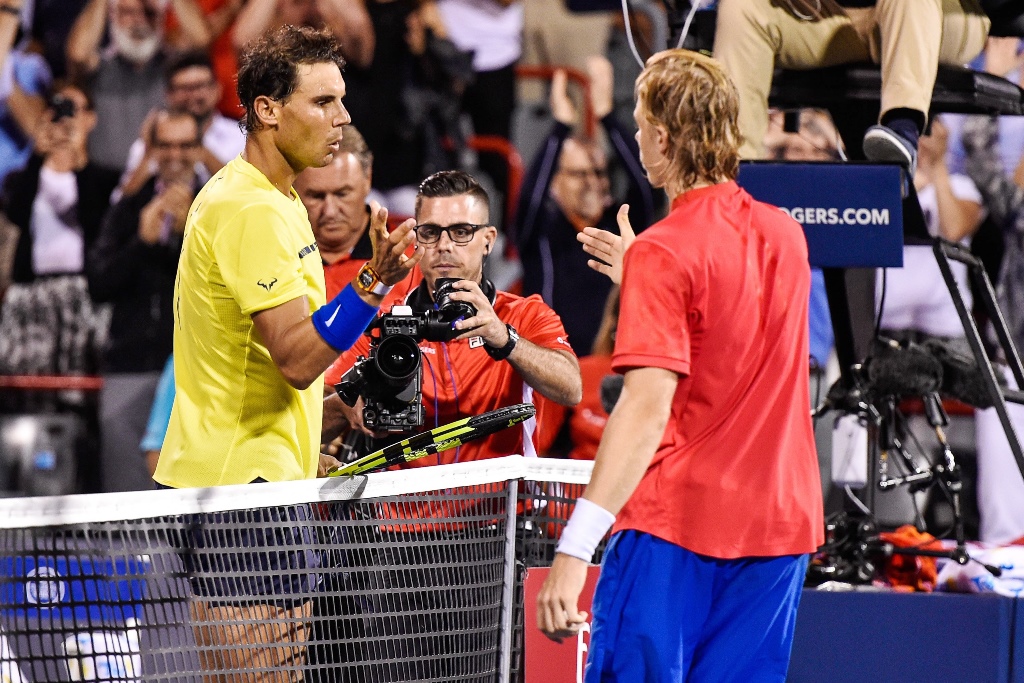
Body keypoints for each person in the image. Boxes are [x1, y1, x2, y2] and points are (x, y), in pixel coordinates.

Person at [536, 50, 823, 682]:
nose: (637, 136)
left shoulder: (665, 253)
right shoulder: (787, 236)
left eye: (639, 123)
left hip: (677, 530)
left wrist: (575, 546)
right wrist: (645, 274)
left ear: (662, 138)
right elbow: (729, 324)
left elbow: (644, 408)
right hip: (778, 529)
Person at [151, 25, 421, 681]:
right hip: (248, 493)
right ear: (268, 109)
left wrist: (322, 411)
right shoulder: (253, 210)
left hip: (248, 483)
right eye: (323, 101)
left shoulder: (272, 197)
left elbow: (270, 368)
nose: (343, 116)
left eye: (342, 100)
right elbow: (297, 356)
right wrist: (371, 284)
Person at [322, 169, 582, 464]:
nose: (444, 245)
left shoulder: (525, 314)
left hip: (500, 507)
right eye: (431, 232)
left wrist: (504, 338)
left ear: (488, 240)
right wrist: (346, 406)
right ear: (417, 240)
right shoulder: (383, 325)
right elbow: (313, 422)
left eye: (461, 232)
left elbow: (571, 388)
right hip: (403, 509)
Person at [713, 0, 990, 173]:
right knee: (742, 6)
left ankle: (901, 131)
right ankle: (731, 176)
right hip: (834, 16)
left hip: (940, 14)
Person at [88, 110, 203, 493]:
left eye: (185, 145)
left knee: (193, 494)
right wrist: (140, 243)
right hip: (130, 364)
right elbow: (98, 284)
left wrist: (193, 237)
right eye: (165, 145)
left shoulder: (218, 202)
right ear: (151, 149)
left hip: (197, 370)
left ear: (199, 148)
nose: (175, 155)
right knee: (125, 492)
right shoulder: (128, 204)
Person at [514, 55, 653, 354]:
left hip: (611, 367)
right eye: (579, 174)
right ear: (556, 183)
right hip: (553, 367)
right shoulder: (541, 232)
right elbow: (529, 198)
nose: (593, 182)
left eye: (599, 172)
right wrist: (561, 127)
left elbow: (646, 187)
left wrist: (607, 116)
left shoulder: (621, 228)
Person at [0, 85, 120, 390]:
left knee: (78, 384)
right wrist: (38, 157)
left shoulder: (103, 179)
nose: (65, 119)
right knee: (28, 382)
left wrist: (79, 163)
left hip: (82, 296)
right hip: (32, 296)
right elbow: (15, 214)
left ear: (91, 119)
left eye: (73, 110)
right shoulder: (24, 176)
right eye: (58, 110)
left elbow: (97, 225)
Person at [66, 0, 209, 172]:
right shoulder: (100, 68)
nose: (140, 21)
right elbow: (77, 54)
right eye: (128, 13)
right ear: (113, 16)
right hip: (100, 181)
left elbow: (201, 41)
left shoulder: (172, 68)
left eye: (150, 14)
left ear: (162, 18)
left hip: (159, 180)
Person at [118, 50, 245, 197]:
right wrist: (149, 152)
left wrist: (198, 149)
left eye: (199, 86)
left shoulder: (241, 137)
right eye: (183, 88)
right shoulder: (149, 144)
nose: (192, 95)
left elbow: (244, 195)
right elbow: (121, 202)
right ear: (168, 95)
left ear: (217, 90)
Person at [293, 123, 383, 298]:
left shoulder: (406, 260)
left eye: (342, 194)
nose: (330, 211)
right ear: (292, 189)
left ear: (368, 179)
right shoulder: (274, 259)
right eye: (316, 196)